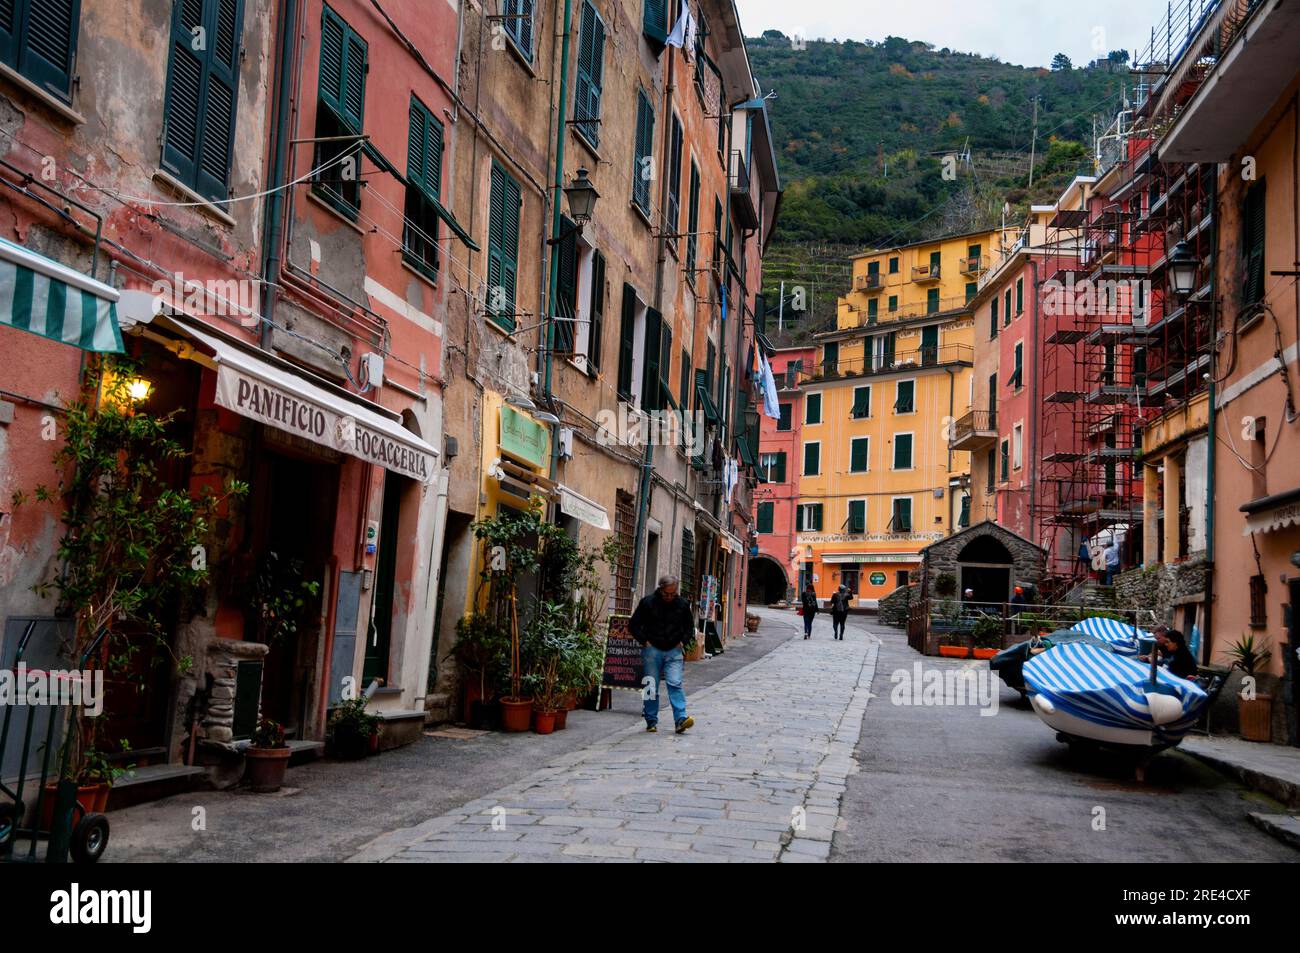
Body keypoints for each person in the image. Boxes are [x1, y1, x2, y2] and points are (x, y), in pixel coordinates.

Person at [628, 574, 695, 734]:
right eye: (666, 594)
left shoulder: (683, 604)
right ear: (660, 589)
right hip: (652, 649)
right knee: (651, 684)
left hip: (674, 649)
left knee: (675, 683)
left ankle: (680, 719)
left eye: (673, 594)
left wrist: (683, 642)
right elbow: (633, 625)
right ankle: (651, 720)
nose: (669, 597)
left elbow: (689, 628)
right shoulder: (648, 602)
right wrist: (644, 641)